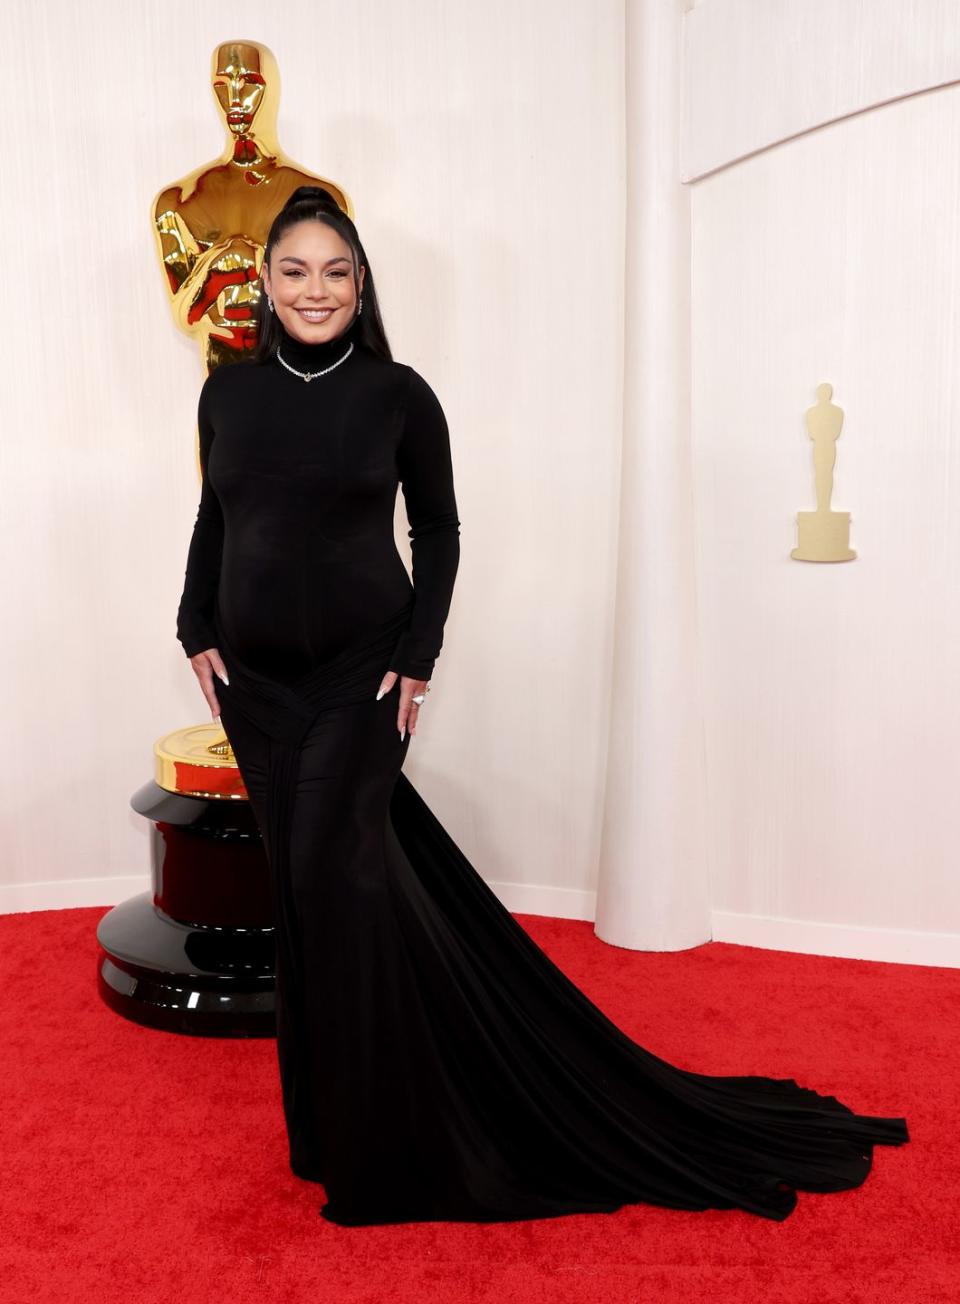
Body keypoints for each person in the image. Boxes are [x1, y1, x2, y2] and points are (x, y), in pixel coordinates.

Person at [175, 187, 909, 1227]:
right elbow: (215, 512)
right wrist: (190, 617)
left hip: (359, 678)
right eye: (295, 270)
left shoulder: (400, 395)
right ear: (265, 282)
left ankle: (389, 1141)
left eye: (336, 272)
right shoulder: (227, 396)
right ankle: (323, 1128)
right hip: (256, 683)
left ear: (362, 282)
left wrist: (418, 653)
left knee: (334, 884)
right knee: (300, 901)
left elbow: (440, 529)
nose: (316, 290)